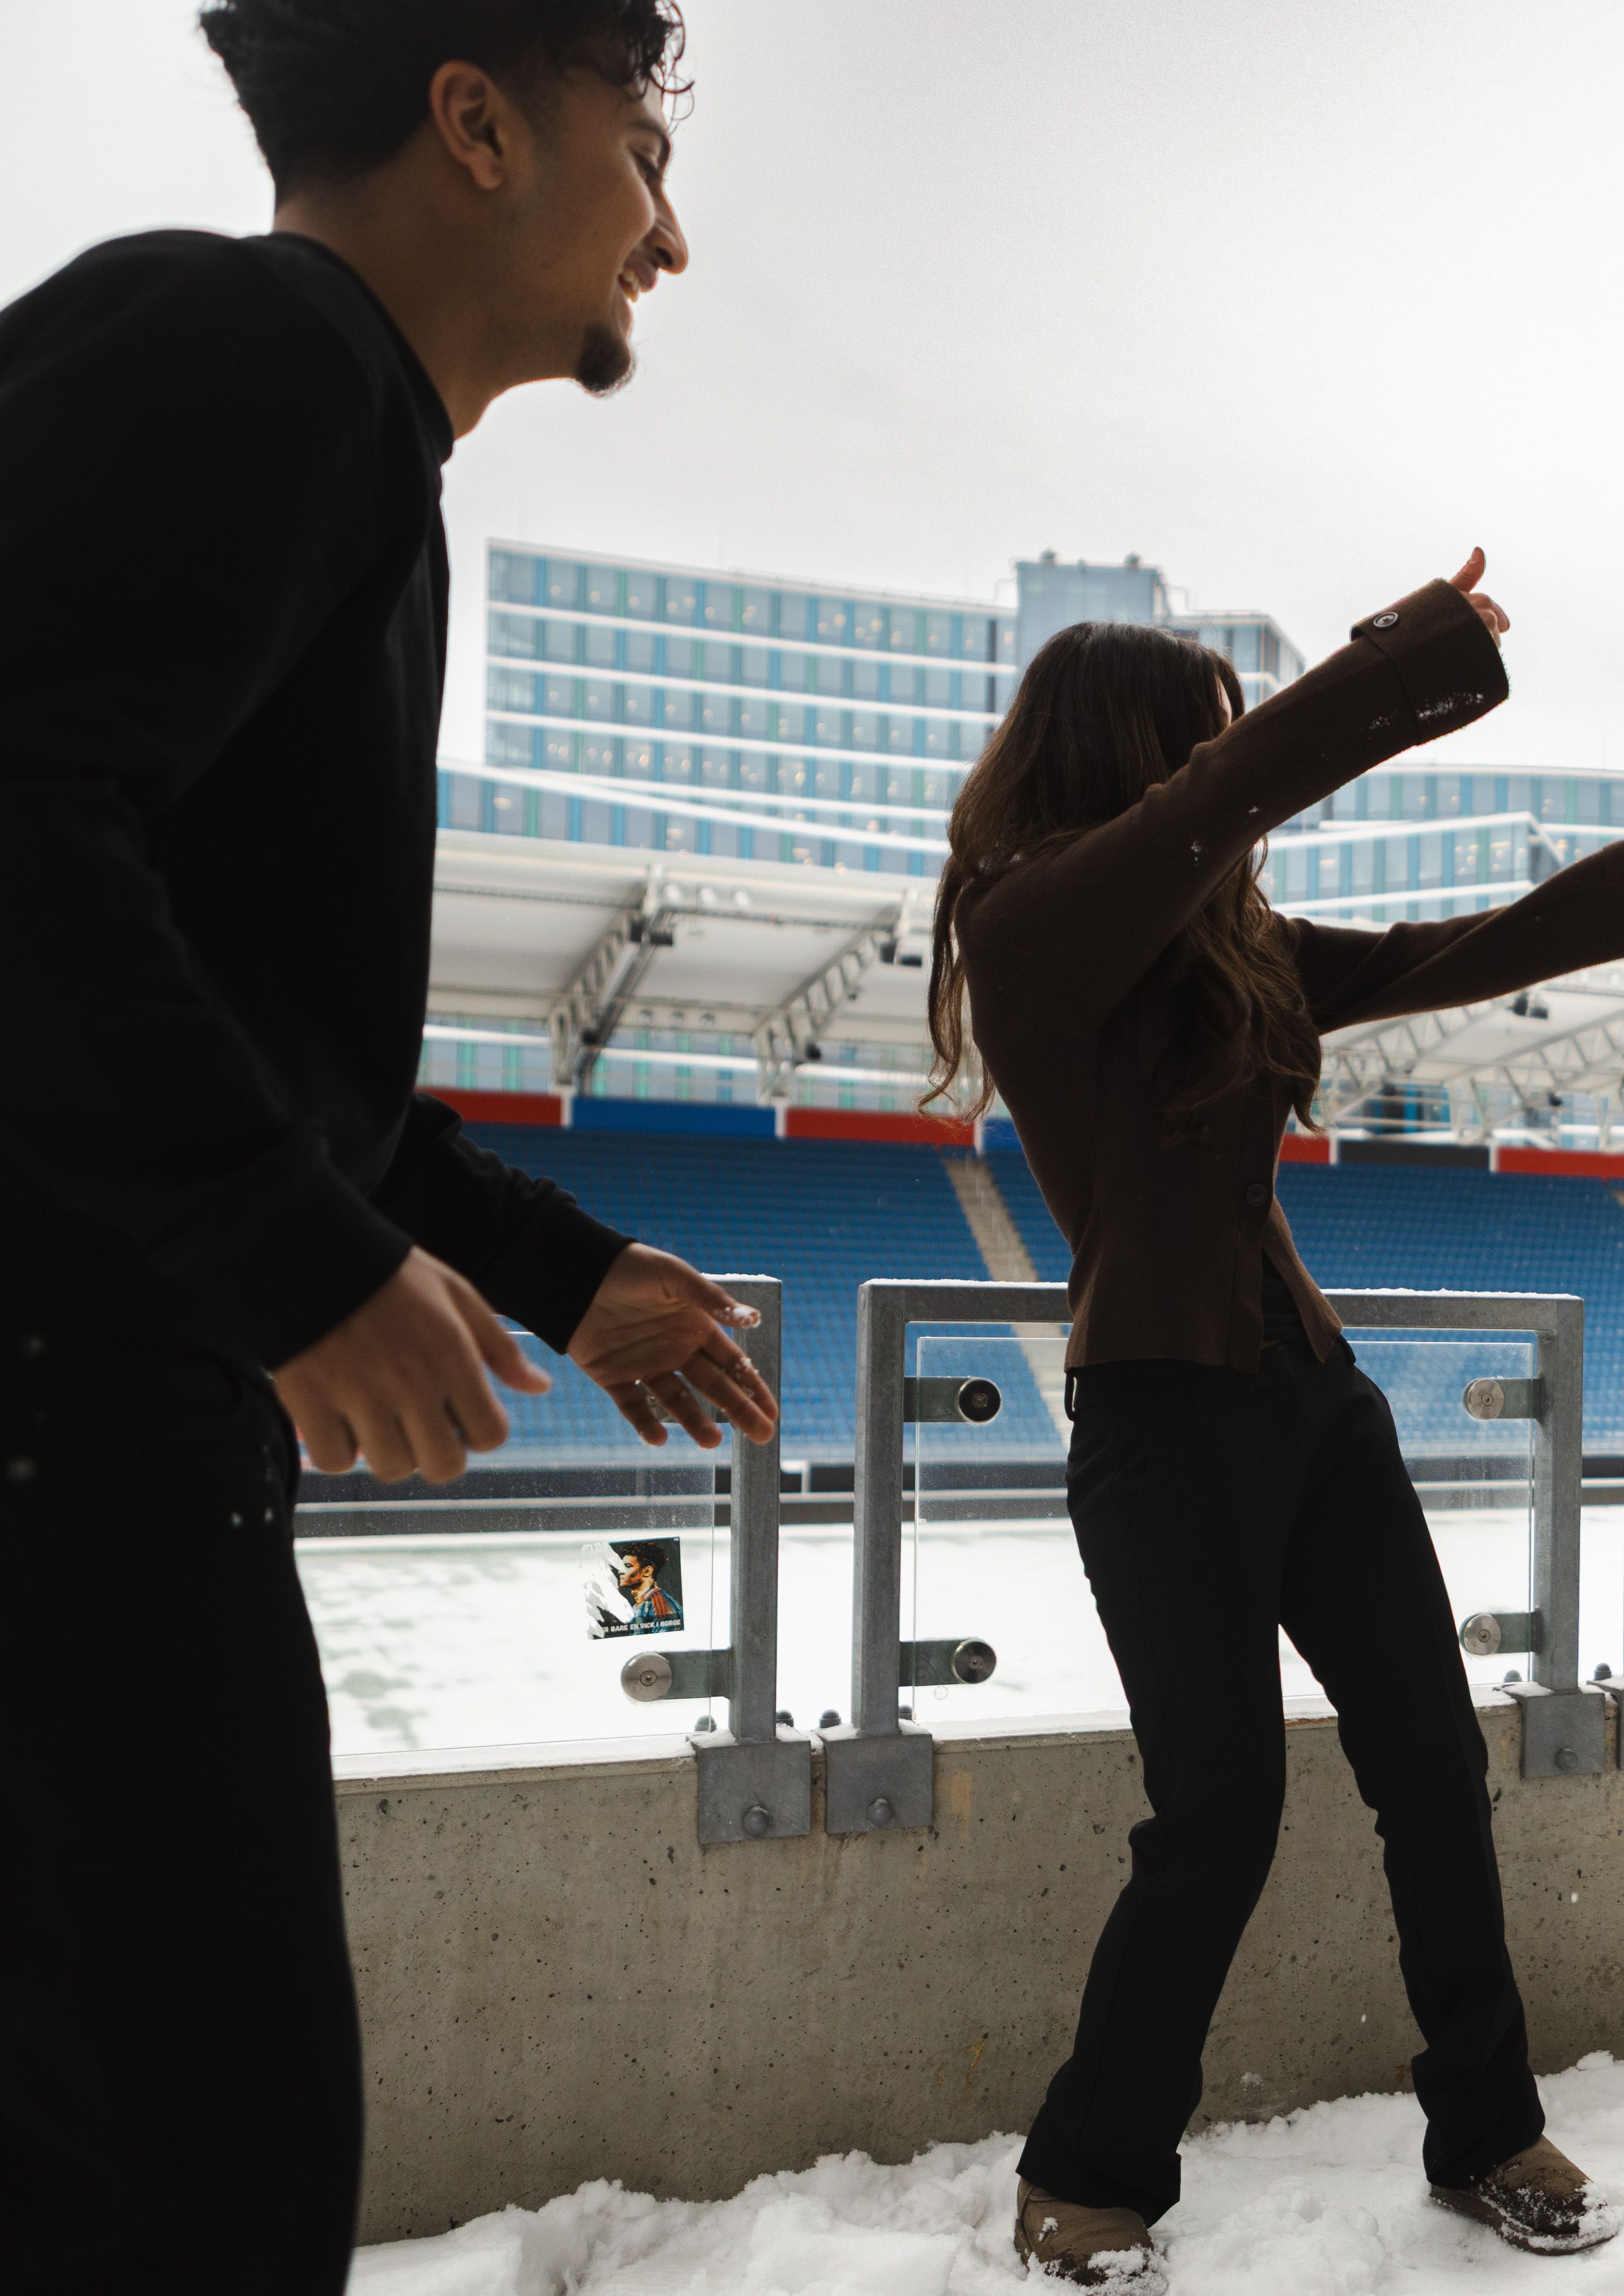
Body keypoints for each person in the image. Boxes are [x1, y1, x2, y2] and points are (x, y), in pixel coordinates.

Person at [0, 5, 775, 2289]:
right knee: (191, 2195)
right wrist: (286, 1255)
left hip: (118, 1449)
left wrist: (561, 1268)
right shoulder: (250, 347)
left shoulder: (339, 452)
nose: (674, 232)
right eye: (642, 155)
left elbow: (275, 1039)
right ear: (474, 125)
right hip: (66, 1459)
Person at [929, 559, 1624, 2283]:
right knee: (1217, 1812)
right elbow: (1223, 797)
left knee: (1434, 1771)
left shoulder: (1232, 949)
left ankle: (1487, 2128)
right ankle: (1086, 2170)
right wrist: (1406, 659)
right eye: (1196, 751)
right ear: (1130, 760)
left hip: (1313, 1405)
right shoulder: (1030, 924)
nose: (1226, 787)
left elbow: (1446, 954)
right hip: (1161, 1421)